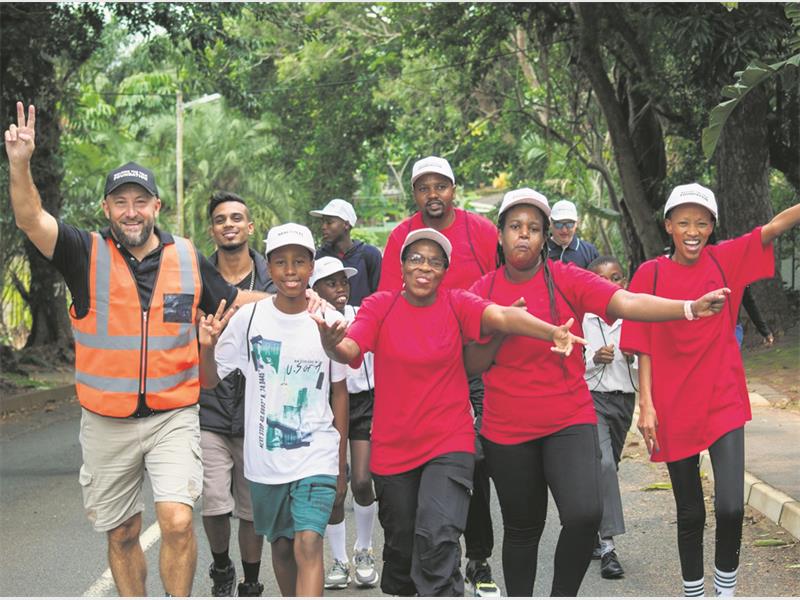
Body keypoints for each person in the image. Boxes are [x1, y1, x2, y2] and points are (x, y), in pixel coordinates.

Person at [3, 103, 273, 596]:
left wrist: (298, 300)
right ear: (106, 209)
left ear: (156, 207)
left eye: (140, 201)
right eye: (120, 201)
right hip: (106, 421)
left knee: (174, 520)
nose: (131, 211)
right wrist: (20, 162)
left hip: (174, 415)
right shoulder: (82, 251)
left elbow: (237, 301)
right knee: (124, 532)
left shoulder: (187, 257)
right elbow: (29, 217)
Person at [462, 187, 730, 597]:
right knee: (522, 529)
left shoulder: (568, 278)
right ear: (500, 235)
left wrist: (688, 307)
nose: (523, 235)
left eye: (533, 228)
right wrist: (503, 327)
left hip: (568, 418)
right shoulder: (481, 289)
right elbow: (472, 365)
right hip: (507, 428)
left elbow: (627, 302)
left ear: (545, 237)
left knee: (585, 514)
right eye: (515, 227)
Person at [312, 227, 590, 597]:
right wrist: (332, 344)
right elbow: (349, 349)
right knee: (402, 550)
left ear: (444, 270)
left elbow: (504, 317)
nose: (424, 267)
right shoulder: (381, 305)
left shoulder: (457, 302)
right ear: (402, 265)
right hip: (394, 450)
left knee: (439, 537)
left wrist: (551, 332)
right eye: (416, 259)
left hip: (449, 442)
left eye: (434, 261)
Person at [620, 183, 800, 597]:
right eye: (683, 222)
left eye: (701, 222)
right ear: (668, 226)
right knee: (690, 512)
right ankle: (694, 592)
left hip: (723, 398)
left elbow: (773, 227)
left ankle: (726, 589)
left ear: (712, 226)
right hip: (672, 403)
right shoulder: (652, 273)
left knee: (731, 507)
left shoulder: (726, 261)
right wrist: (646, 405)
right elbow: (642, 344)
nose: (692, 230)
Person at [199, 223, 349, 597]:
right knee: (281, 547)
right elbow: (209, 380)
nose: (290, 271)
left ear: (312, 266)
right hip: (265, 462)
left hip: (317, 455)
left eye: (299, 261)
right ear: (268, 267)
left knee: (309, 542)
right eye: (280, 262)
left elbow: (341, 393)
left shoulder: (328, 320)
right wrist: (206, 346)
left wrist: (341, 464)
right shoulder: (250, 320)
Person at [377, 155, 501, 596]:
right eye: (424, 187)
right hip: (422, 368)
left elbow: (499, 285)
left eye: (441, 186)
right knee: (415, 501)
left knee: (477, 459)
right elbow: (389, 302)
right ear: (415, 194)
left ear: (453, 189)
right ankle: (427, 570)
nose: (433, 194)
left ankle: (479, 557)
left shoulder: (481, 231)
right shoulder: (400, 237)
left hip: (475, 364)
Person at [201, 192, 277, 597]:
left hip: (257, 411)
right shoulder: (195, 276)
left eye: (236, 218)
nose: (228, 224)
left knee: (251, 509)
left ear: (249, 228)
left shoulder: (273, 275)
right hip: (208, 408)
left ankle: (250, 581)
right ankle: (220, 565)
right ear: (212, 230)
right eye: (219, 220)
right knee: (214, 501)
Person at [310, 257, 380, 590]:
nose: (340, 289)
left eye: (344, 282)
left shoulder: (360, 313)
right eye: (331, 283)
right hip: (328, 405)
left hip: (365, 403)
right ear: (315, 288)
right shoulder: (309, 320)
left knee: (363, 481)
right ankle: (339, 559)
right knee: (336, 489)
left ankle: (364, 548)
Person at [582, 255, 639, 581]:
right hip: (591, 400)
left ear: (624, 282)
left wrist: (631, 358)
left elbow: (646, 364)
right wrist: (593, 359)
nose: (609, 285)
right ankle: (608, 547)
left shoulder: (633, 317)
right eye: (601, 279)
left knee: (606, 467)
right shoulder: (583, 318)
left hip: (624, 403)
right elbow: (571, 363)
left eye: (615, 278)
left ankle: (592, 528)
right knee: (603, 464)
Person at [309, 198, 382, 306]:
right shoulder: (319, 257)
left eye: (329, 222)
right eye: (323, 222)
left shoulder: (369, 254)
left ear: (346, 225)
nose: (323, 227)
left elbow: (379, 293)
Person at [546, 199, 600, 268]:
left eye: (569, 224)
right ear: (550, 223)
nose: (564, 230)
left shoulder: (589, 252)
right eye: (558, 224)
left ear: (576, 223)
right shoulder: (540, 250)